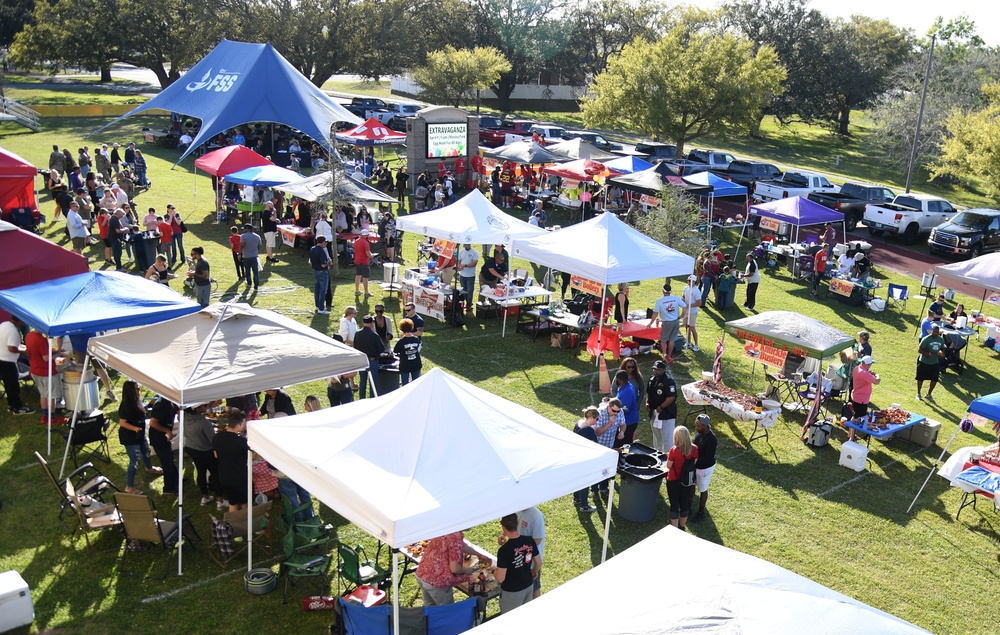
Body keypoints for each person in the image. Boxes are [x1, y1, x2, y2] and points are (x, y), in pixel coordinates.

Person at [492, 513, 541, 614]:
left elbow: (501, 578)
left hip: (512, 592)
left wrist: (493, 570)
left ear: (503, 527)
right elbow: (539, 563)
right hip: (528, 585)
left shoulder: (504, 550)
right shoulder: (529, 540)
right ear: (517, 524)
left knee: (509, 622)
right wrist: (533, 571)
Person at [117, 381, 161, 495]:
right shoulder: (126, 405)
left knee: (146, 451)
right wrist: (135, 429)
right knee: (134, 460)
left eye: (139, 388)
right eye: (136, 389)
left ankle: (149, 468)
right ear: (130, 391)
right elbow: (122, 422)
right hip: (130, 437)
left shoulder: (137, 400)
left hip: (139, 434)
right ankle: (129, 487)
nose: (139, 391)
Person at [415, 530, 479, 606]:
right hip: (437, 581)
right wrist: (466, 570)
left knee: (429, 609)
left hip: (423, 573)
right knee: (447, 611)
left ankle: (429, 617)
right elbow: (455, 569)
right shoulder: (455, 536)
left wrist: (479, 554)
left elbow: (461, 545)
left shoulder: (448, 529)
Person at [185, 402, 226, 508]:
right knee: (215, 474)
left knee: (201, 472)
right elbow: (213, 440)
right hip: (206, 451)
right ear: (197, 408)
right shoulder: (203, 422)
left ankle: (205, 497)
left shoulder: (184, 416)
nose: (206, 407)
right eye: (204, 405)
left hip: (192, 448)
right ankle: (220, 501)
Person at [213, 408, 249, 512]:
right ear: (238, 425)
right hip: (240, 477)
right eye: (243, 424)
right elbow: (249, 458)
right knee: (244, 503)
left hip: (225, 477)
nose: (244, 426)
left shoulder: (217, 437)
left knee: (232, 503)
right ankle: (244, 524)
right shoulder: (241, 441)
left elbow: (216, 455)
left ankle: (232, 526)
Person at [665, 425, 698, 531]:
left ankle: (674, 528)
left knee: (674, 504)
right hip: (687, 480)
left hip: (673, 480)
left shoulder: (674, 450)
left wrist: (668, 456)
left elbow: (669, 466)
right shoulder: (694, 449)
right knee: (684, 503)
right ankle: (682, 526)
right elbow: (694, 462)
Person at [26, 328, 64, 418]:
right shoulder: (41, 340)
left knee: (43, 394)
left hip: (35, 370)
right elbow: (46, 358)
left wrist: (54, 351)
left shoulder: (29, 336)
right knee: (52, 396)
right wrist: (58, 354)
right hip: (46, 372)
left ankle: (45, 415)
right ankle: (52, 417)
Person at [147, 395, 180, 495]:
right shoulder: (161, 404)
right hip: (158, 438)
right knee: (166, 462)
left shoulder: (172, 401)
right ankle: (168, 487)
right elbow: (153, 423)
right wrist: (167, 431)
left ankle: (176, 480)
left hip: (164, 438)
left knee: (170, 459)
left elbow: (178, 410)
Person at [0, 316, 32, 415]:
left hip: (1, 358)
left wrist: (20, 346)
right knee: (13, 386)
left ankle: (11, 404)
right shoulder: (13, 331)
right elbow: (11, 348)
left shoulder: (3, 325)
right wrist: (23, 351)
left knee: (8, 385)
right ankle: (18, 407)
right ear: (20, 320)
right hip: (8, 361)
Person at [572, 407, 601, 512]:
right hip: (585, 459)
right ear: (592, 418)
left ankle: (576, 499)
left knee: (577, 479)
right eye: (596, 419)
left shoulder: (579, 422)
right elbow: (595, 446)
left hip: (576, 456)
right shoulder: (588, 430)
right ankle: (584, 506)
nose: (596, 421)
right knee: (585, 481)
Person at [845, 356, 880, 442]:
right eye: (870, 364)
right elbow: (877, 381)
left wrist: (869, 373)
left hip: (855, 396)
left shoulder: (857, 368)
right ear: (868, 364)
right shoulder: (865, 374)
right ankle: (851, 438)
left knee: (854, 416)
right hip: (861, 400)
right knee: (857, 419)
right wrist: (877, 375)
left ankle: (850, 434)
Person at [646, 360, 676, 453]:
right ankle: (657, 453)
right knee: (656, 435)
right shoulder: (652, 380)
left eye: (658, 370)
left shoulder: (669, 381)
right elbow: (648, 393)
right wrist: (647, 403)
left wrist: (662, 407)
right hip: (654, 412)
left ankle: (668, 457)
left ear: (663, 370)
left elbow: (671, 397)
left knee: (667, 437)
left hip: (666, 414)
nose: (656, 371)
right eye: (654, 369)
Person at [516, 507, 546, 598]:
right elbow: (511, 525)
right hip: (519, 557)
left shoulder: (536, 516)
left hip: (532, 560)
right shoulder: (516, 509)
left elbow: (537, 540)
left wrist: (520, 547)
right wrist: (503, 534)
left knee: (534, 587)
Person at [691, 414, 717, 522]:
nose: (696, 428)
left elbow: (708, 458)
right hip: (694, 465)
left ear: (704, 426)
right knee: (691, 484)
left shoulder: (712, 440)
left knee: (702, 489)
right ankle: (688, 505)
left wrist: (694, 461)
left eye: (698, 426)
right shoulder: (699, 433)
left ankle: (701, 511)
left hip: (705, 468)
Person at [354, 315, 385, 399]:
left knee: (362, 381)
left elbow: (355, 347)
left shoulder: (357, 334)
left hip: (362, 360)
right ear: (372, 323)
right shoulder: (374, 335)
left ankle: (362, 399)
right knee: (373, 381)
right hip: (372, 360)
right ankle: (372, 398)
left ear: (363, 323)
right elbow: (381, 349)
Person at [653, 282, 685, 364]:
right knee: (672, 339)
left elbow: (655, 313)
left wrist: (650, 322)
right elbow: (685, 307)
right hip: (675, 321)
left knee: (663, 340)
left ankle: (665, 355)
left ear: (663, 291)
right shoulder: (676, 298)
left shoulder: (659, 301)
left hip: (666, 322)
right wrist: (681, 316)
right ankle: (669, 355)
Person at [916, 324, 947, 403]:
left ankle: (929, 394)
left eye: (937, 332)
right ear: (931, 331)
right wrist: (928, 354)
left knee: (934, 379)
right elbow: (920, 350)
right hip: (924, 361)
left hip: (934, 362)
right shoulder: (926, 339)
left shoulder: (940, 339)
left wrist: (942, 353)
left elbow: (942, 347)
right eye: (934, 331)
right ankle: (918, 393)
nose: (935, 333)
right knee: (920, 378)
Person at [611, 370, 639, 446]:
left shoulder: (627, 391)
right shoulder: (626, 386)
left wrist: (612, 412)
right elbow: (618, 400)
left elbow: (624, 410)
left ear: (619, 379)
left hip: (629, 423)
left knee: (622, 446)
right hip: (628, 422)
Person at [309, 236, 331, 314]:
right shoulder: (321, 251)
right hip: (322, 272)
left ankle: (317, 306)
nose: (326, 244)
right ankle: (321, 308)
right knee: (323, 291)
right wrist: (329, 262)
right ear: (322, 242)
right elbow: (323, 264)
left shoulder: (312, 249)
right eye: (325, 242)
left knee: (317, 290)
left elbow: (310, 262)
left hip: (315, 271)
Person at [456, 244, 480, 313]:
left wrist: (465, 265)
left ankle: (469, 304)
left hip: (470, 275)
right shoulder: (461, 251)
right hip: (462, 274)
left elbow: (474, 263)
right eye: (465, 245)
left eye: (467, 245)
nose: (466, 246)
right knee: (463, 290)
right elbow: (459, 260)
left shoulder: (474, 252)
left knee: (470, 290)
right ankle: (463, 303)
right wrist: (459, 266)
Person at [681, 274, 701, 352]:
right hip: (686, 311)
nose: (688, 282)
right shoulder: (686, 288)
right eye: (688, 281)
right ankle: (688, 342)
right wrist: (682, 300)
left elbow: (699, 303)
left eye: (690, 281)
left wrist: (689, 305)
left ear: (694, 282)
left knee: (692, 328)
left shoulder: (696, 291)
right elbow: (683, 296)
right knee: (686, 326)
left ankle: (696, 345)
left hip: (692, 312)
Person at [239, 223, 262, 290]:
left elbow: (242, 245)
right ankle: (256, 285)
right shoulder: (258, 236)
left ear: (247, 229)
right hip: (254, 256)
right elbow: (259, 246)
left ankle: (249, 283)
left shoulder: (243, 236)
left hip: (246, 256)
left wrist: (239, 254)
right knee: (255, 271)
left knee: (247, 271)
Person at [354, 230, 373, 298]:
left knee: (358, 276)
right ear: (366, 235)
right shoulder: (365, 243)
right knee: (365, 277)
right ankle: (366, 292)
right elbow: (368, 253)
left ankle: (357, 290)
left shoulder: (357, 241)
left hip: (357, 261)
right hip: (364, 261)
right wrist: (372, 256)